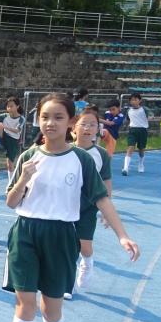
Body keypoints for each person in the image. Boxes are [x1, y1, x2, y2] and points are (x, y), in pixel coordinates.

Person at [3, 93, 139, 322]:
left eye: (58, 117)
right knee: (24, 304)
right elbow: (11, 202)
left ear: (71, 122)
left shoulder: (81, 159)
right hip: (25, 233)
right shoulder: (28, 156)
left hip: (62, 235)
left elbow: (102, 198)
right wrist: (23, 179)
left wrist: (122, 235)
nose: (50, 123)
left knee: (50, 308)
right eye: (44, 117)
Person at [66, 108, 112, 300]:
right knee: (67, 247)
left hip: (87, 208)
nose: (87, 128)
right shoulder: (65, 150)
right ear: (74, 127)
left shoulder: (101, 154)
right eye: (83, 124)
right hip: (64, 206)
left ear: (97, 129)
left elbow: (106, 182)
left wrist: (107, 210)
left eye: (92, 125)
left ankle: (87, 262)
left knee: (84, 246)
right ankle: (67, 283)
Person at [121, 93, 152, 175]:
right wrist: (125, 126)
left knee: (141, 150)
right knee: (130, 147)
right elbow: (127, 120)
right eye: (132, 100)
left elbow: (150, 114)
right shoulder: (129, 110)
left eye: (135, 100)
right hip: (132, 131)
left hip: (142, 130)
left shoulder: (144, 109)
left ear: (139, 100)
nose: (133, 102)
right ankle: (125, 167)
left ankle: (141, 164)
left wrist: (150, 117)